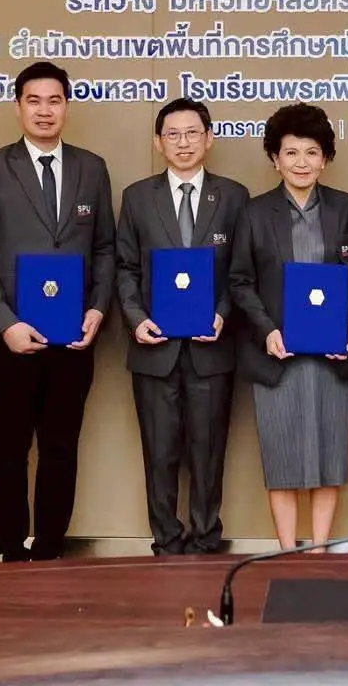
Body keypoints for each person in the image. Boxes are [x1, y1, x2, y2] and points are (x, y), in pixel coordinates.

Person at [0, 61, 116, 562]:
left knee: (61, 446)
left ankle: (50, 549)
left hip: (73, 336)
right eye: (34, 101)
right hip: (7, 339)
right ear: (18, 107)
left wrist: (97, 309)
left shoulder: (92, 168)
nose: (45, 110)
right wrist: (5, 323)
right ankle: (10, 549)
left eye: (54, 101)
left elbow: (105, 248)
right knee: (8, 446)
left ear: (67, 106)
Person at [229, 103, 348, 550]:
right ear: (275, 159)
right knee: (282, 458)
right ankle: (289, 552)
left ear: (325, 158)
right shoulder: (254, 212)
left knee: (330, 455)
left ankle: (321, 550)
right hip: (277, 356)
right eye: (291, 153)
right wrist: (267, 330)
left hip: (333, 356)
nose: (302, 162)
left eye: (312, 152)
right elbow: (240, 280)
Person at [115, 98, 249, 556]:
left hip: (212, 347)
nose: (183, 142)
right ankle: (167, 541)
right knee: (159, 452)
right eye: (172, 134)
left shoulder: (234, 196)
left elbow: (241, 271)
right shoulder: (137, 197)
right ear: (158, 142)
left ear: (209, 139)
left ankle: (207, 538)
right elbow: (126, 268)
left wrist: (223, 313)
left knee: (209, 452)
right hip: (155, 348)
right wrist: (136, 319)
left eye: (193, 133)